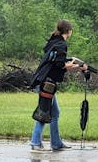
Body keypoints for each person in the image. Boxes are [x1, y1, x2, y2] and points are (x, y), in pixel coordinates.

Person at [30, 19, 87, 151]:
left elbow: (56, 61)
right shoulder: (61, 44)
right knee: (44, 113)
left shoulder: (54, 41)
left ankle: (56, 143)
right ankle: (35, 142)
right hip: (47, 83)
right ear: (69, 31)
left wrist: (72, 62)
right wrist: (76, 66)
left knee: (55, 112)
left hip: (44, 81)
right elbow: (60, 65)